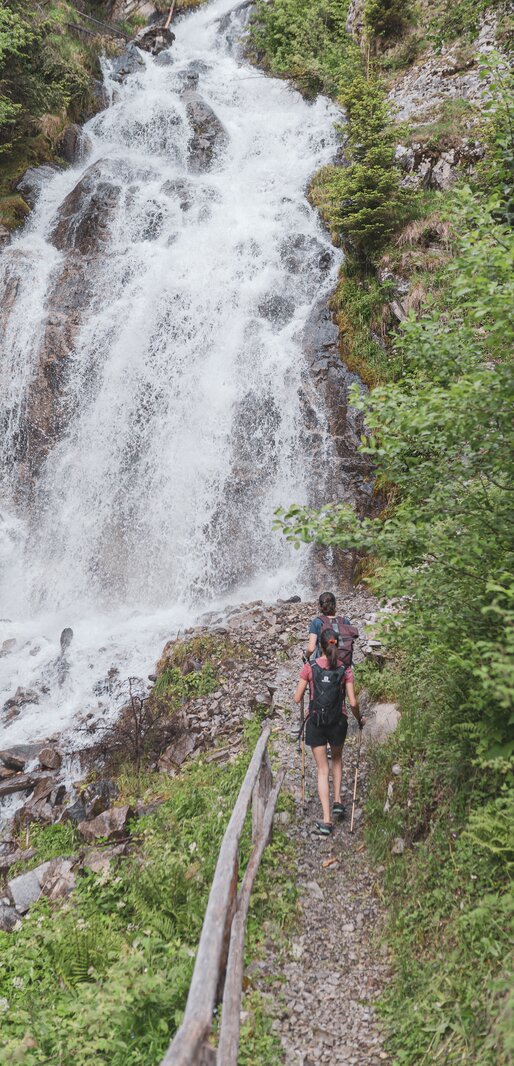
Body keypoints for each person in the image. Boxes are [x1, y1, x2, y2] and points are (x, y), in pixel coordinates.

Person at [294, 627, 365, 836]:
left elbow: (297, 698)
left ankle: (326, 820)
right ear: (337, 646)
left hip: (316, 722)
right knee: (337, 759)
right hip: (338, 722)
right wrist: (359, 719)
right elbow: (352, 701)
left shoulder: (310, 667)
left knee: (322, 770)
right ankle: (338, 801)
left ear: (320, 647)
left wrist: (307, 688)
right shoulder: (345, 670)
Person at [305, 591, 350, 661]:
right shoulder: (345, 621)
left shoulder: (317, 622)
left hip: (323, 664)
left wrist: (306, 657)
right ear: (335, 605)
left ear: (320, 607)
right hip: (342, 663)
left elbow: (311, 648)